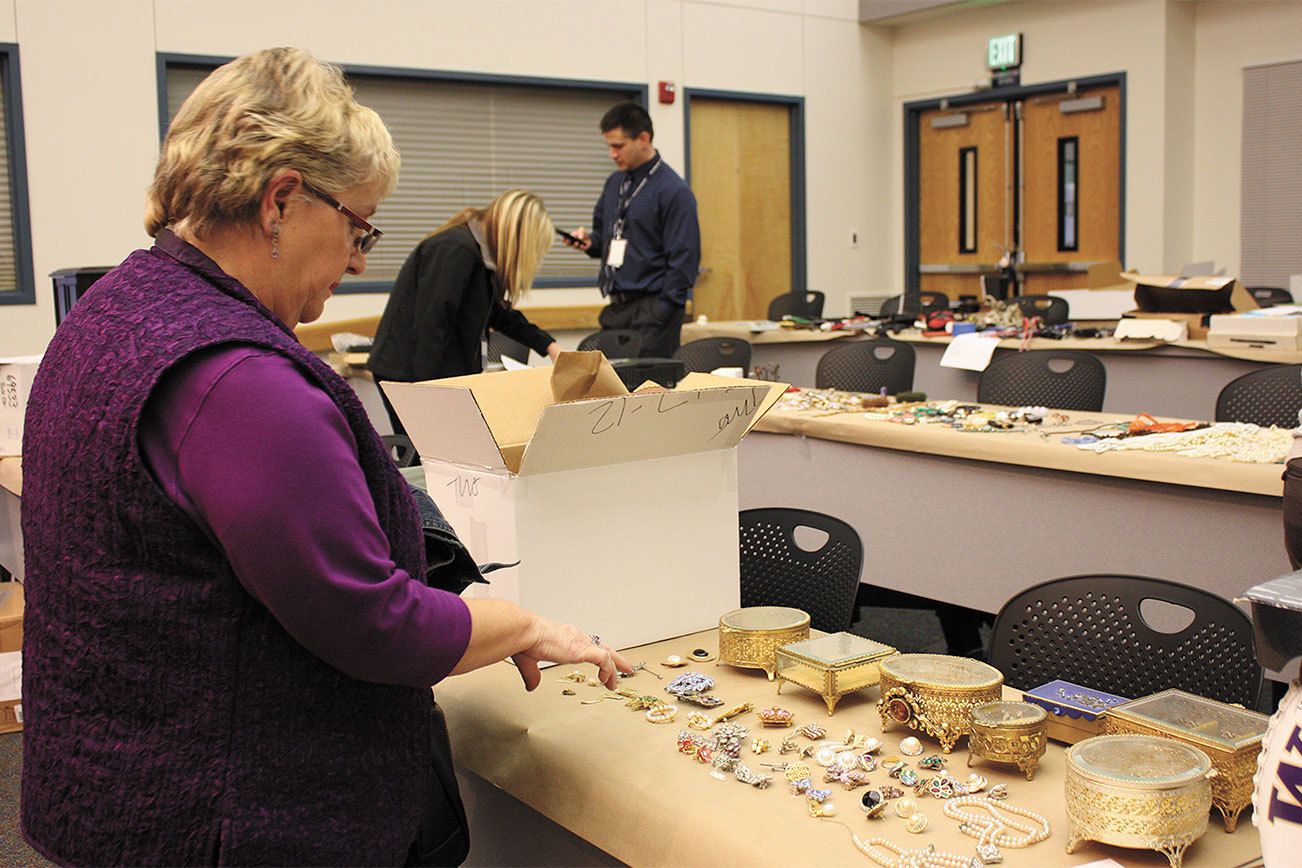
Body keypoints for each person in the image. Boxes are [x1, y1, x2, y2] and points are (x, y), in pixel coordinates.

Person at [19, 48, 629, 867]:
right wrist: (522, 623)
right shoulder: (241, 381)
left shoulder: (113, 311)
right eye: (357, 225)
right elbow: (369, 619)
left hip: (113, 787)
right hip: (228, 821)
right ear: (281, 201)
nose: (357, 260)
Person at [368, 190, 561, 436]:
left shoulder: (482, 256)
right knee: (429, 458)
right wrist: (431, 397)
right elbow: (431, 326)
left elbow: (499, 314)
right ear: (518, 237)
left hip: (432, 377)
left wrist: (549, 345)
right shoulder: (457, 250)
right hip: (409, 376)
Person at [564, 102, 700, 358]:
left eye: (618, 146)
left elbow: (684, 261)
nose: (612, 155)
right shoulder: (615, 183)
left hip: (654, 310)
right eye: (609, 147)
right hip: (617, 308)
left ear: (643, 139)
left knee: (649, 392)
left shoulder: (673, 191)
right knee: (610, 388)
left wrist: (664, 309)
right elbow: (604, 235)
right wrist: (589, 243)